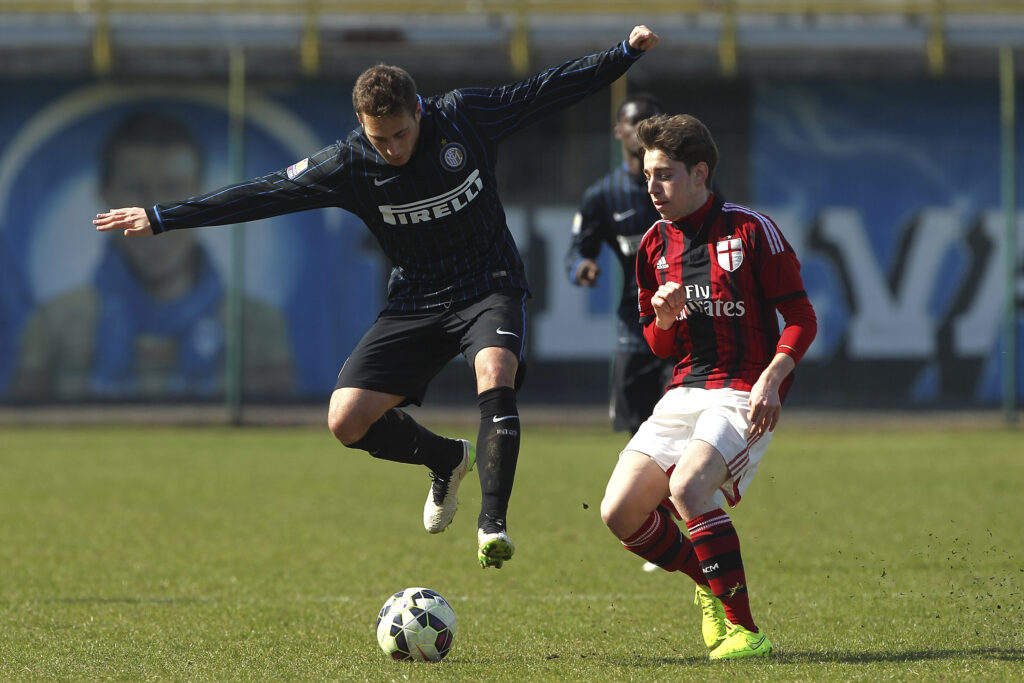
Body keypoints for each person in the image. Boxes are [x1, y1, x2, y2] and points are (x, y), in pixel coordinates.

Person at [95, 26, 661, 569]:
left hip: (489, 284)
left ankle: (492, 524)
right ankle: (446, 459)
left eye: (400, 134)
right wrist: (163, 216)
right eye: (377, 138)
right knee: (346, 420)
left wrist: (622, 55)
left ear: (419, 111)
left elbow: (545, 91)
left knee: (495, 371)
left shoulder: (462, 116)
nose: (391, 148)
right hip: (415, 299)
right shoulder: (349, 163)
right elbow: (262, 192)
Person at [599, 113, 817, 659]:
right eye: (648, 174)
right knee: (619, 511)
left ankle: (746, 631)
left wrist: (774, 376)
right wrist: (665, 320)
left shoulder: (750, 229)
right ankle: (710, 585)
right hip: (685, 391)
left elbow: (800, 316)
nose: (652, 187)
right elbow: (659, 346)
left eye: (665, 175)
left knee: (689, 488)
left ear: (701, 173)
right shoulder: (652, 244)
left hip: (744, 390)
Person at [13, 112, 294, 401]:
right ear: (106, 193)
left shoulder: (258, 325)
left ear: (200, 194)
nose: (151, 214)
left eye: (172, 190)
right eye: (136, 189)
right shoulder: (53, 325)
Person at [566, 93, 672, 436]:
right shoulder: (603, 195)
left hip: (686, 323)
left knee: (683, 430)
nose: (643, 129)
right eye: (634, 122)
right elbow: (576, 252)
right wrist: (582, 266)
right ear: (619, 132)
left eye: (651, 120)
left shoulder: (688, 183)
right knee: (637, 436)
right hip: (636, 325)